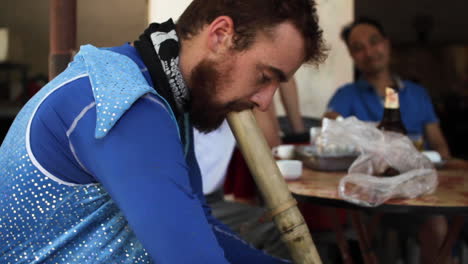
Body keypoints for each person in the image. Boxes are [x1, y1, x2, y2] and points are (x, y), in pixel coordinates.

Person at [0, 0, 326, 263]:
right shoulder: (123, 99)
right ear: (220, 35)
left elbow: (201, 229)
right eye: (265, 76)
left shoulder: (166, 98)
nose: (265, 102)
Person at [323, 17, 452, 263]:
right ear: (352, 55)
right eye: (358, 47)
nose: (369, 52)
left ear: (387, 44)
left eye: (374, 42)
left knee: (438, 226)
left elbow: (440, 145)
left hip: (417, 192)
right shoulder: (346, 95)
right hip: (369, 197)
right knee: (363, 231)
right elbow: (329, 125)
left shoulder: (417, 93)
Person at [194, 78, 304, 260]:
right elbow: (271, 147)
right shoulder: (230, 89)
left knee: (275, 225)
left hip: (212, 199)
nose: (267, 98)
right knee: (281, 229)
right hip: (196, 203)